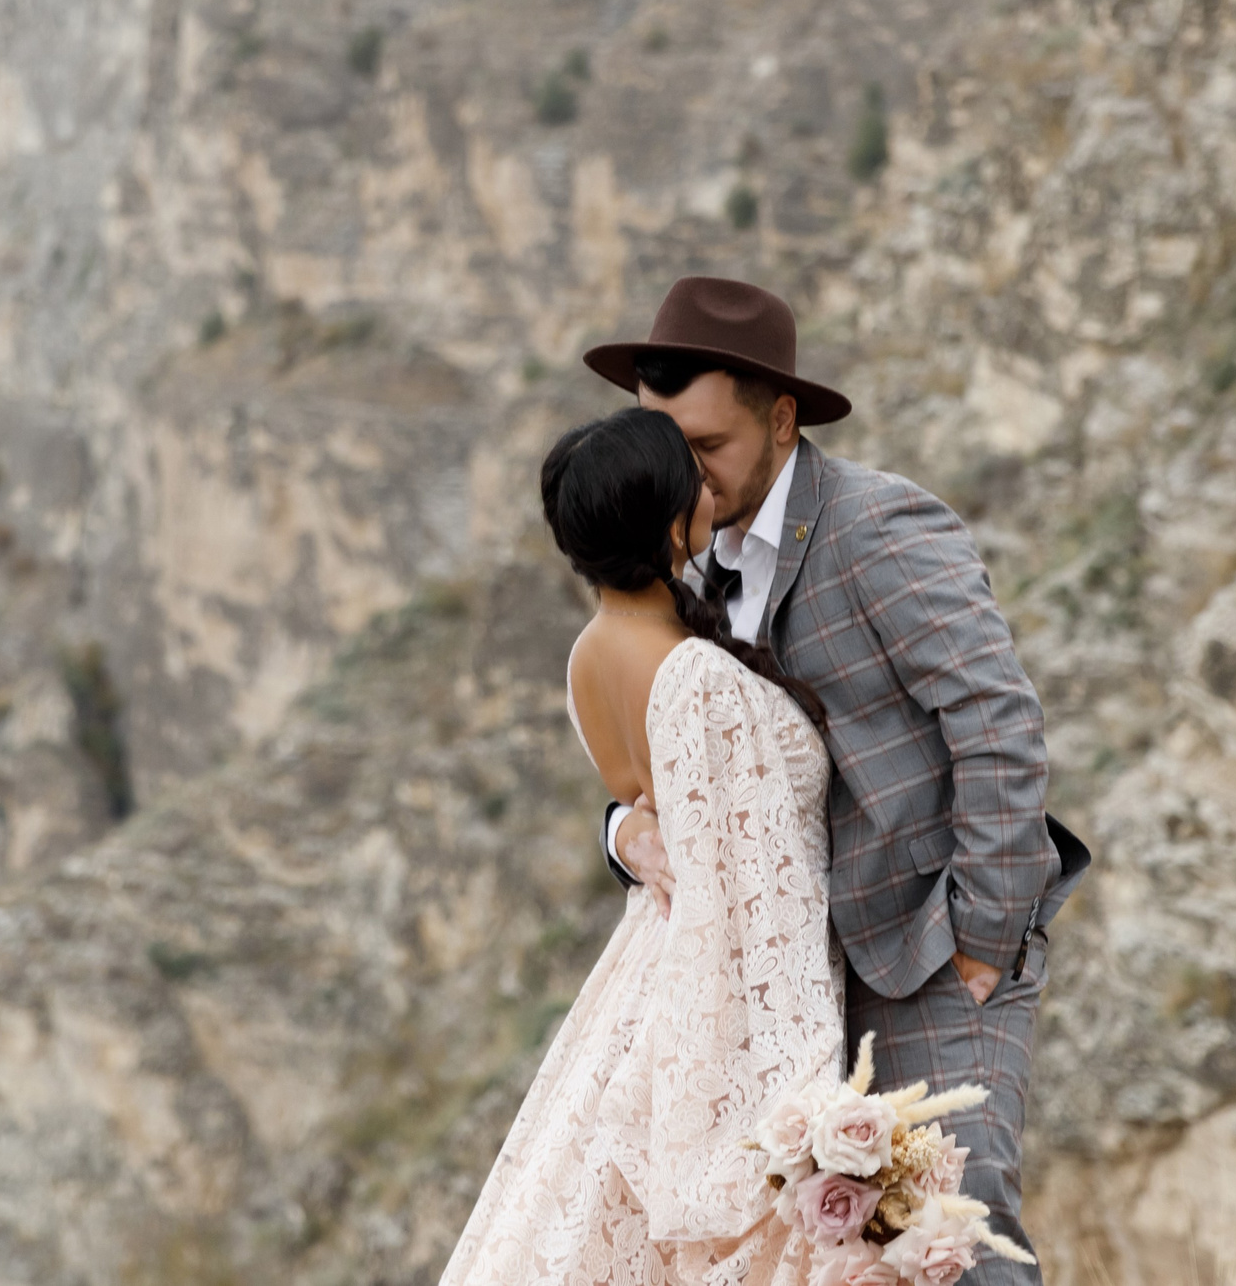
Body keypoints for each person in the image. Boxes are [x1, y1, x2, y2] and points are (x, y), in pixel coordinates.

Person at [583, 276, 1091, 1284]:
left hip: (931, 955)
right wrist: (620, 834)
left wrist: (981, 945)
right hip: (793, 996)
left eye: (706, 448)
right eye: (663, 449)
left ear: (780, 419)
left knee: (955, 1234)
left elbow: (998, 726)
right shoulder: (685, 570)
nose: (683, 477)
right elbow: (671, 771)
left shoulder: (880, 529)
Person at [441, 409, 849, 1286]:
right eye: (689, 481)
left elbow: (645, 808)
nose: (710, 489)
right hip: (712, 979)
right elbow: (757, 892)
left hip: (647, 964)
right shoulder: (696, 675)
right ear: (667, 523)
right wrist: (807, 1101)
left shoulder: (587, 656)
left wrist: (625, 830)